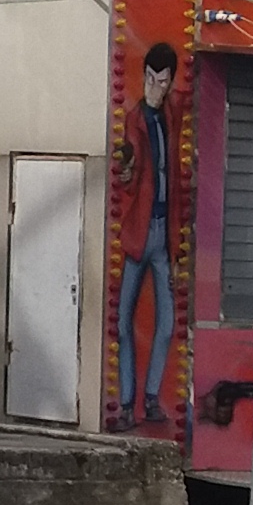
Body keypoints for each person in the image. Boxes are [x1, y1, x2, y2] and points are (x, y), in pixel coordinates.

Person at [110, 42, 182, 433]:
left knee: (167, 323)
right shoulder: (135, 120)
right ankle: (126, 403)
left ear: (170, 83)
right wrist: (126, 167)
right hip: (139, 234)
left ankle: (151, 397)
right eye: (150, 79)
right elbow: (130, 166)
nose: (155, 87)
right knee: (123, 322)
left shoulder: (171, 114)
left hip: (163, 232)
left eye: (162, 81)